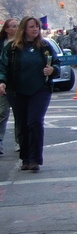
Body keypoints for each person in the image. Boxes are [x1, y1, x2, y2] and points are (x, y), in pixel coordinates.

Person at [0, 17, 58, 171]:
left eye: (37, 27)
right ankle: (25, 158)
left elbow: (56, 63)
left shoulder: (45, 46)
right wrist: (2, 81)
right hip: (17, 90)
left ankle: (35, 159)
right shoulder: (12, 48)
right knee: (22, 123)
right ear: (23, 29)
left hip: (41, 89)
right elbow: (3, 66)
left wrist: (53, 70)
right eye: (31, 27)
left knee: (35, 121)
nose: (35, 30)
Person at [0, 18, 18, 155]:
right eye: (13, 26)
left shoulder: (22, 43)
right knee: (2, 112)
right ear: (6, 29)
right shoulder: (2, 44)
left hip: (18, 83)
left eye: (18, 26)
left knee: (20, 114)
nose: (16, 28)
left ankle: (20, 141)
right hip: (3, 83)